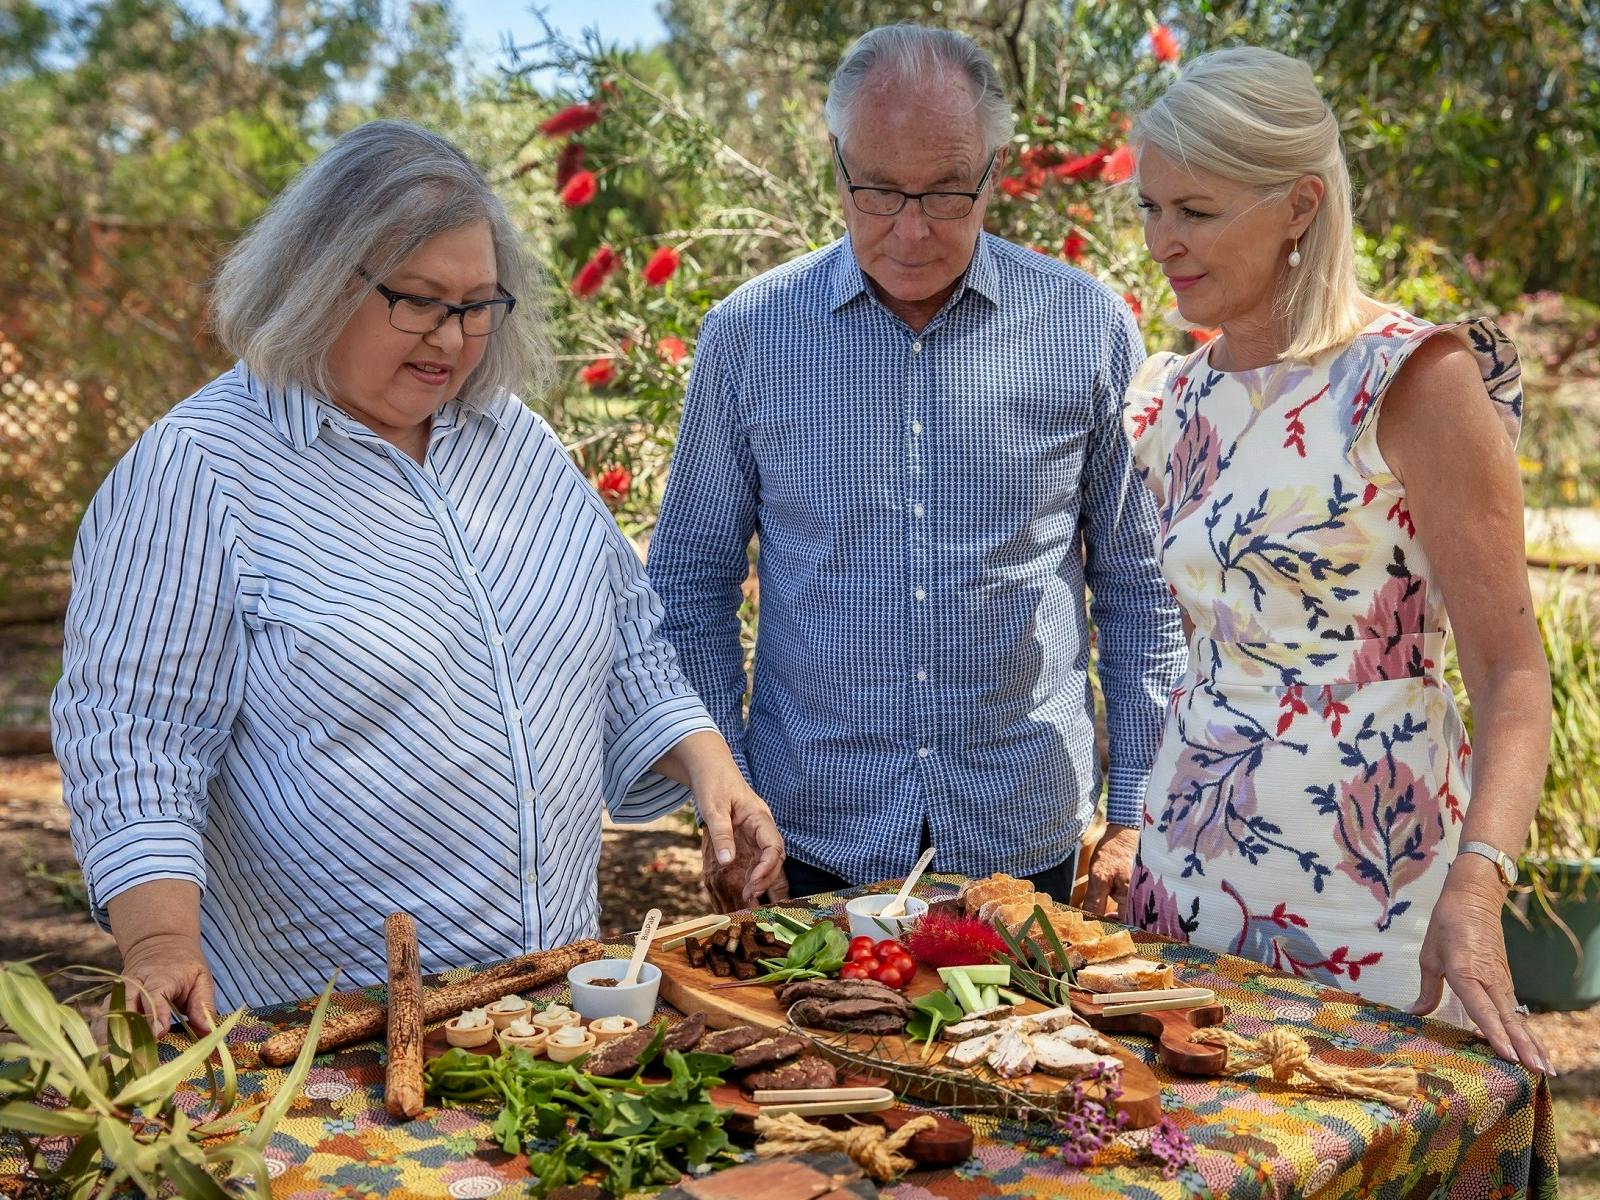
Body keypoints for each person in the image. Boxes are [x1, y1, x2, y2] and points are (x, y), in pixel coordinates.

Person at [51, 120, 784, 1025]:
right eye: (421, 300)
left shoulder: (516, 441)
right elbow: (134, 740)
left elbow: (625, 644)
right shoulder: (195, 471)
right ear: (320, 278)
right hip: (321, 1029)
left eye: (479, 305)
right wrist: (160, 945)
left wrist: (713, 771)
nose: (453, 337)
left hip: (543, 1007)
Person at [649, 25, 1186, 912]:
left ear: (991, 174)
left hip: (1022, 831)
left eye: (944, 192)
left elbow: (1137, 583)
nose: (911, 228)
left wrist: (1132, 810)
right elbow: (688, 582)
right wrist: (729, 794)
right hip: (810, 829)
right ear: (836, 167)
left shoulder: (1088, 327)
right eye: (879, 191)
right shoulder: (749, 336)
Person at [1121, 47, 1551, 1074]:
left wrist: (1477, 888)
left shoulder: (1412, 379)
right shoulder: (1171, 398)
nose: (1159, 242)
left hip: (1374, 884)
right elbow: (1215, 650)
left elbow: (1513, 674)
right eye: (1148, 209)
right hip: (1184, 872)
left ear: (1299, 206)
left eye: (1194, 210)